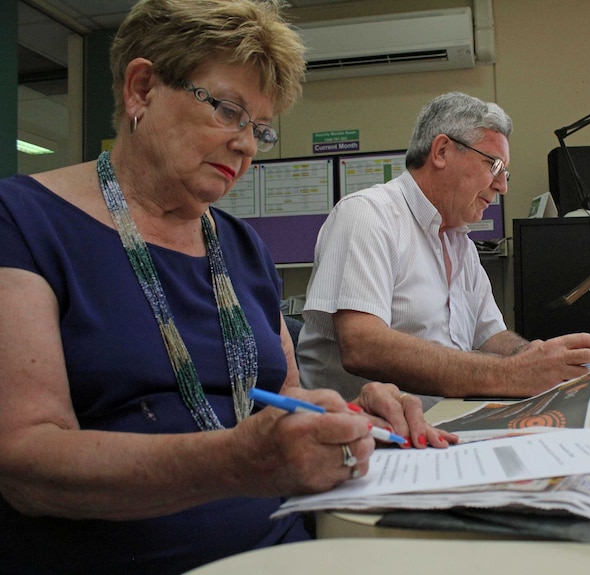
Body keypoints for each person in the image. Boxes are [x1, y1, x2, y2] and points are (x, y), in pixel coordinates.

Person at [0, 1, 455, 573]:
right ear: (141, 89)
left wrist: (346, 417)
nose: (246, 145)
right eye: (227, 110)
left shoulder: (241, 248)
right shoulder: (22, 221)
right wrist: (234, 464)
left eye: (259, 129)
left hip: (285, 546)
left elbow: (288, 396)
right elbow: (24, 465)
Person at [297, 92, 590, 409]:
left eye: (506, 171)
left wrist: (535, 357)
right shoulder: (367, 215)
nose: (503, 185)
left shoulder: (460, 243)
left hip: (442, 425)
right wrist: (513, 373)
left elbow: (491, 336)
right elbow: (363, 346)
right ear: (443, 151)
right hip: (365, 438)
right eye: (494, 164)